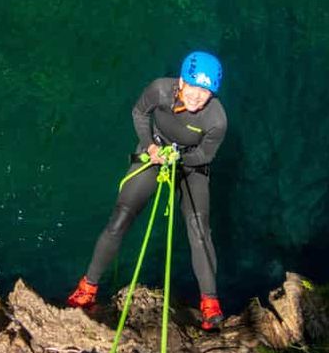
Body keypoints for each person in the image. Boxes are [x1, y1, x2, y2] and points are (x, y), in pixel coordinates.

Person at [67, 51, 228, 330]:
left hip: (190, 164)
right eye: (193, 87)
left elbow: (205, 154)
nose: (196, 96)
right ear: (181, 81)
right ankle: (88, 285)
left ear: (212, 94)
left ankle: (210, 301)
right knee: (120, 217)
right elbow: (139, 113)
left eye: (205, 92)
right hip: (155, 151)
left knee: (199, 227)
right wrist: (152, 148)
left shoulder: (217, 119)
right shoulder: (160, 90)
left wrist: (179, 159)